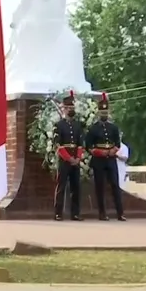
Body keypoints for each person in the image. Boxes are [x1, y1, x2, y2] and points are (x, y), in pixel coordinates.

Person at [85, 93, 125, 221]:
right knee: (100, 186)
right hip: (99, 160)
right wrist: (99, 152)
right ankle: (102, 213)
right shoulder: (93, 128)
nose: (104, 113)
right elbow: (89, 146)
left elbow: (117, 143)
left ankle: (120, 213)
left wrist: (114, 150)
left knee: (115, 185)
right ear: (98, 112)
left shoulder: (113, 127)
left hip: (111, 159)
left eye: (106, 111)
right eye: (102, 111)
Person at [53, 91, 83, 221]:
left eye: (72, 107)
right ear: (64, 109)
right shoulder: (59, 126)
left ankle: (75, 213)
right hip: (65, 160)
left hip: (75, 159)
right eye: (69, 108)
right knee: (61, 186)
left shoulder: (78, 125)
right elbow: (58, 145)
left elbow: (80, 144)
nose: (71, 110)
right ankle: (58, 213)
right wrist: (68, 158)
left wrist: (77, 158)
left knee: (75, 187)